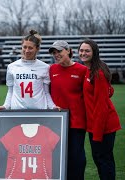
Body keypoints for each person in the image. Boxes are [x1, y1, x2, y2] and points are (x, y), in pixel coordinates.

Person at [78, 39, 121, 180]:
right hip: (94, 125)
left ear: (94, 52)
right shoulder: (87, 70)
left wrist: (97, 134)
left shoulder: (98, 73)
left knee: (104, 160)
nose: (83, 53)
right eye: (81, 50)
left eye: (87, 51)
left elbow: (101, 107)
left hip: (104, 125)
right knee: (100, 159)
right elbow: (110, 91)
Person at [48, 40, 87, 180]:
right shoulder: (51, 69)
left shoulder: (82, 70)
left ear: (68, 51)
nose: (56, 54)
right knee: (56, 156)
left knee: (76, 156)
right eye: (54, 52)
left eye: (59, 51)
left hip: (77, 122)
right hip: (56, 123)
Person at [0, 30, 56, 110]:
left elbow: (46, 92)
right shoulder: (11, 67)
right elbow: (10, 91)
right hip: (17, 112)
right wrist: (5, 106)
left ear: (37, 49)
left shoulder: (44, 67)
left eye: (30, 48)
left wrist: (53, 106)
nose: (27, 51)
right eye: (25, 47)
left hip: (39, 112)